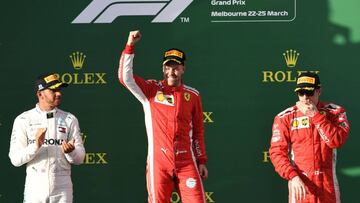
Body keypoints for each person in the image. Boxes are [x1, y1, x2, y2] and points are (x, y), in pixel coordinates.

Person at [118, 30, 208, 203]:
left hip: (187, 161)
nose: (172, 71)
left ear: (183, 69)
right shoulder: (151, 90)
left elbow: (198, 131)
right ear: (163, 69)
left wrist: (201, 160)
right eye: (168, 67)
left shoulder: (193, 95)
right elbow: (125, 78)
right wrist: (130, 46)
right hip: (159, 161)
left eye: (176, 67)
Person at [269, 72, 350, 203]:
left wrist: (315, 115)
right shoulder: (284, 117)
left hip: (328, 190)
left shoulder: (335, 112)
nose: (305, 97)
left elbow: (336, 141)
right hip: (300, 190)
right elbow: (276, 153)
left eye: (309, 92)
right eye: (301, 93)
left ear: (319, 91)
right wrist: (293, 176)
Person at [9, 73, 86, 203]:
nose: (59, 93)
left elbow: (80, 158)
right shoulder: (23, 119)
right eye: (53, 90)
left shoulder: (69, 119)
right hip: (35, 187)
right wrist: (35, 146)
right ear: (40, 94)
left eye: (59, 90)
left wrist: (71, 152)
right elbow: (15, 159)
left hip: (62, 187)